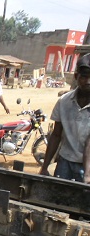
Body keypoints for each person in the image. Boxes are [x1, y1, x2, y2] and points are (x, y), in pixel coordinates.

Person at [41, 54, 90, 182]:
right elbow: (56, 135)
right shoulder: (64, 102)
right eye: (84, 77)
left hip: (87, 167)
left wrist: (87, 175)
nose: (88, 81)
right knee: (57, 197)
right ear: (76, 76)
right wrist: (45, 167)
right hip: (65, 162)